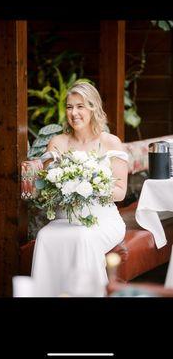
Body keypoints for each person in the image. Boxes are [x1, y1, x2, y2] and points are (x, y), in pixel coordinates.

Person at [30, 81, 128, 297]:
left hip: (102, 219)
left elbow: (120, 191)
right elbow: (46, 188)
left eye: (80, 106)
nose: (74, 113)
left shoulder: (111, 142)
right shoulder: (58, 143)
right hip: (64, 218)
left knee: (83, 237)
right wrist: (57, 182)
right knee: (45, 235)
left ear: (93, 108)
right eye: (69, 106)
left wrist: (90, 185)